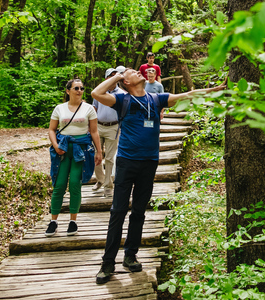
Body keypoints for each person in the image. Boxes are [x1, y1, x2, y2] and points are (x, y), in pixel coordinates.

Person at [92, 69, 225, 283]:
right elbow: (96, 94)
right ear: (126, 81)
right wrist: (118, 76)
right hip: (127, 162)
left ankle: (130, 255)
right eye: (133, 72)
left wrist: (216, 89)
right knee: (118, 211)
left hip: (149, 163)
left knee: (139, 212)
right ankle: (108, 263)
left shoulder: (156, 98)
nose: (139, 71)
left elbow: (189, 96)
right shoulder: (121, 99)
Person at [46, 78, 103, 237]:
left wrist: (99, 151)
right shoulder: (59, 108)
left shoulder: (89, 109)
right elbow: (52, 129)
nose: (79, 90)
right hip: (63, 149)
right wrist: (56, 145)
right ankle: (53, 221)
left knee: (75, 185)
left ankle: (73, 221)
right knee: (59, 185)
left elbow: (94, 131)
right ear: (68, 91)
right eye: (76, 88)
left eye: (82, 88)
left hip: (81, 150)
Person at [92, 67, 126, 198]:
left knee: (110, 158)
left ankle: (108, 186)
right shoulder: (99, 91)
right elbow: (94, 108)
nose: (113, 78)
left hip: (114, 127)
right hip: (98, 126)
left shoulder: (122, 94)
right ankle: (100, 180)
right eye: (110, 76)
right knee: (96, 155)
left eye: (115, 76)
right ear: (106, 78)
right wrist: (91, 126)